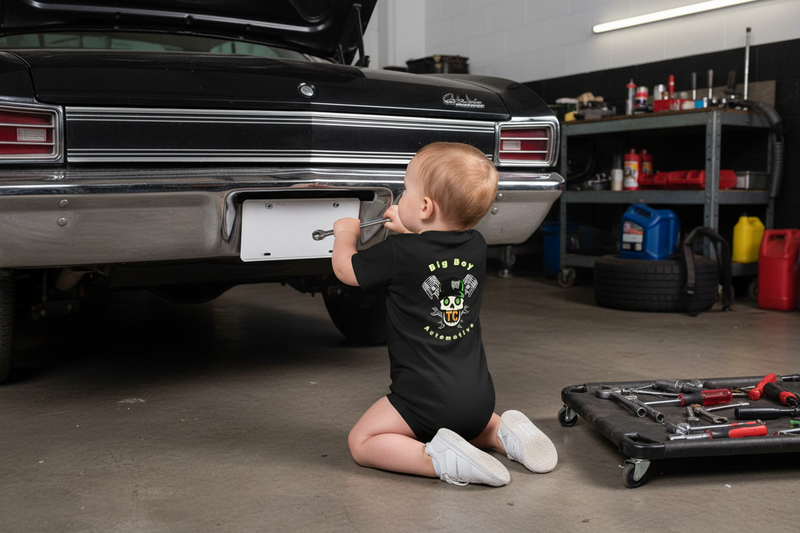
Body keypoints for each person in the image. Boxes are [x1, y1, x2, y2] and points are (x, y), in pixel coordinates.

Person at [331, 142, 557, 487]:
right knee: (468, 425)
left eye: (405, 190)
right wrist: (410, 228)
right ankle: (502, 433)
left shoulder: (397, 254)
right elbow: (430, 253)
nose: (399, 198)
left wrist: (345, 234)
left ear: (424, 206)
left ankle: (439, 460)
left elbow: (347, 270)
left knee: (362, 442)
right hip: (480, 400)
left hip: (423, 399)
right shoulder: (476, 246)